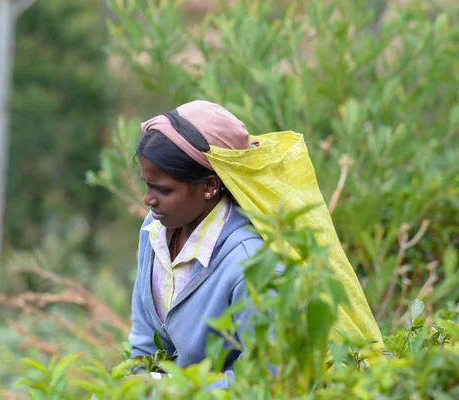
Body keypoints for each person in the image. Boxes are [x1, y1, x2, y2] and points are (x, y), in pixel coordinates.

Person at [127, 100, 382, 388]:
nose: (148, 199)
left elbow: (269, 380)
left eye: (162, 189)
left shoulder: (251, 264)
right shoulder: (154, 230)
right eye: (147, 185)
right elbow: (145, 341)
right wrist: (131, 383)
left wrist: (169, 390)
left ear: (210, 186)